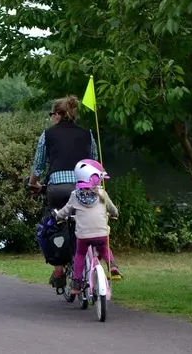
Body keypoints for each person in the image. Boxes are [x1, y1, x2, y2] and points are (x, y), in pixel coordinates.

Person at [28, 95, 122, 287]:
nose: (50, 118)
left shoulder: (48, 134)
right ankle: (97, 259)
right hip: (86, 187)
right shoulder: (87, 133)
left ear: (58, 115)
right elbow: (95, 161)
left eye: (51, 114)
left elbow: (38, 166)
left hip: (58, 189)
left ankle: (58, 271)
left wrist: (33, 184)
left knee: (54, 221)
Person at [53, 159, 118, 295]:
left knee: (80, 254)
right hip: (101, 233)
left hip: (83, 236)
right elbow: (113, 210)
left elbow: (65, 211)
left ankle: (76, 282)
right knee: (105, 248)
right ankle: (112, 266)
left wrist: (58, 216)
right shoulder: (102, 193)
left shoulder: (75, 196)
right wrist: (114, 214)